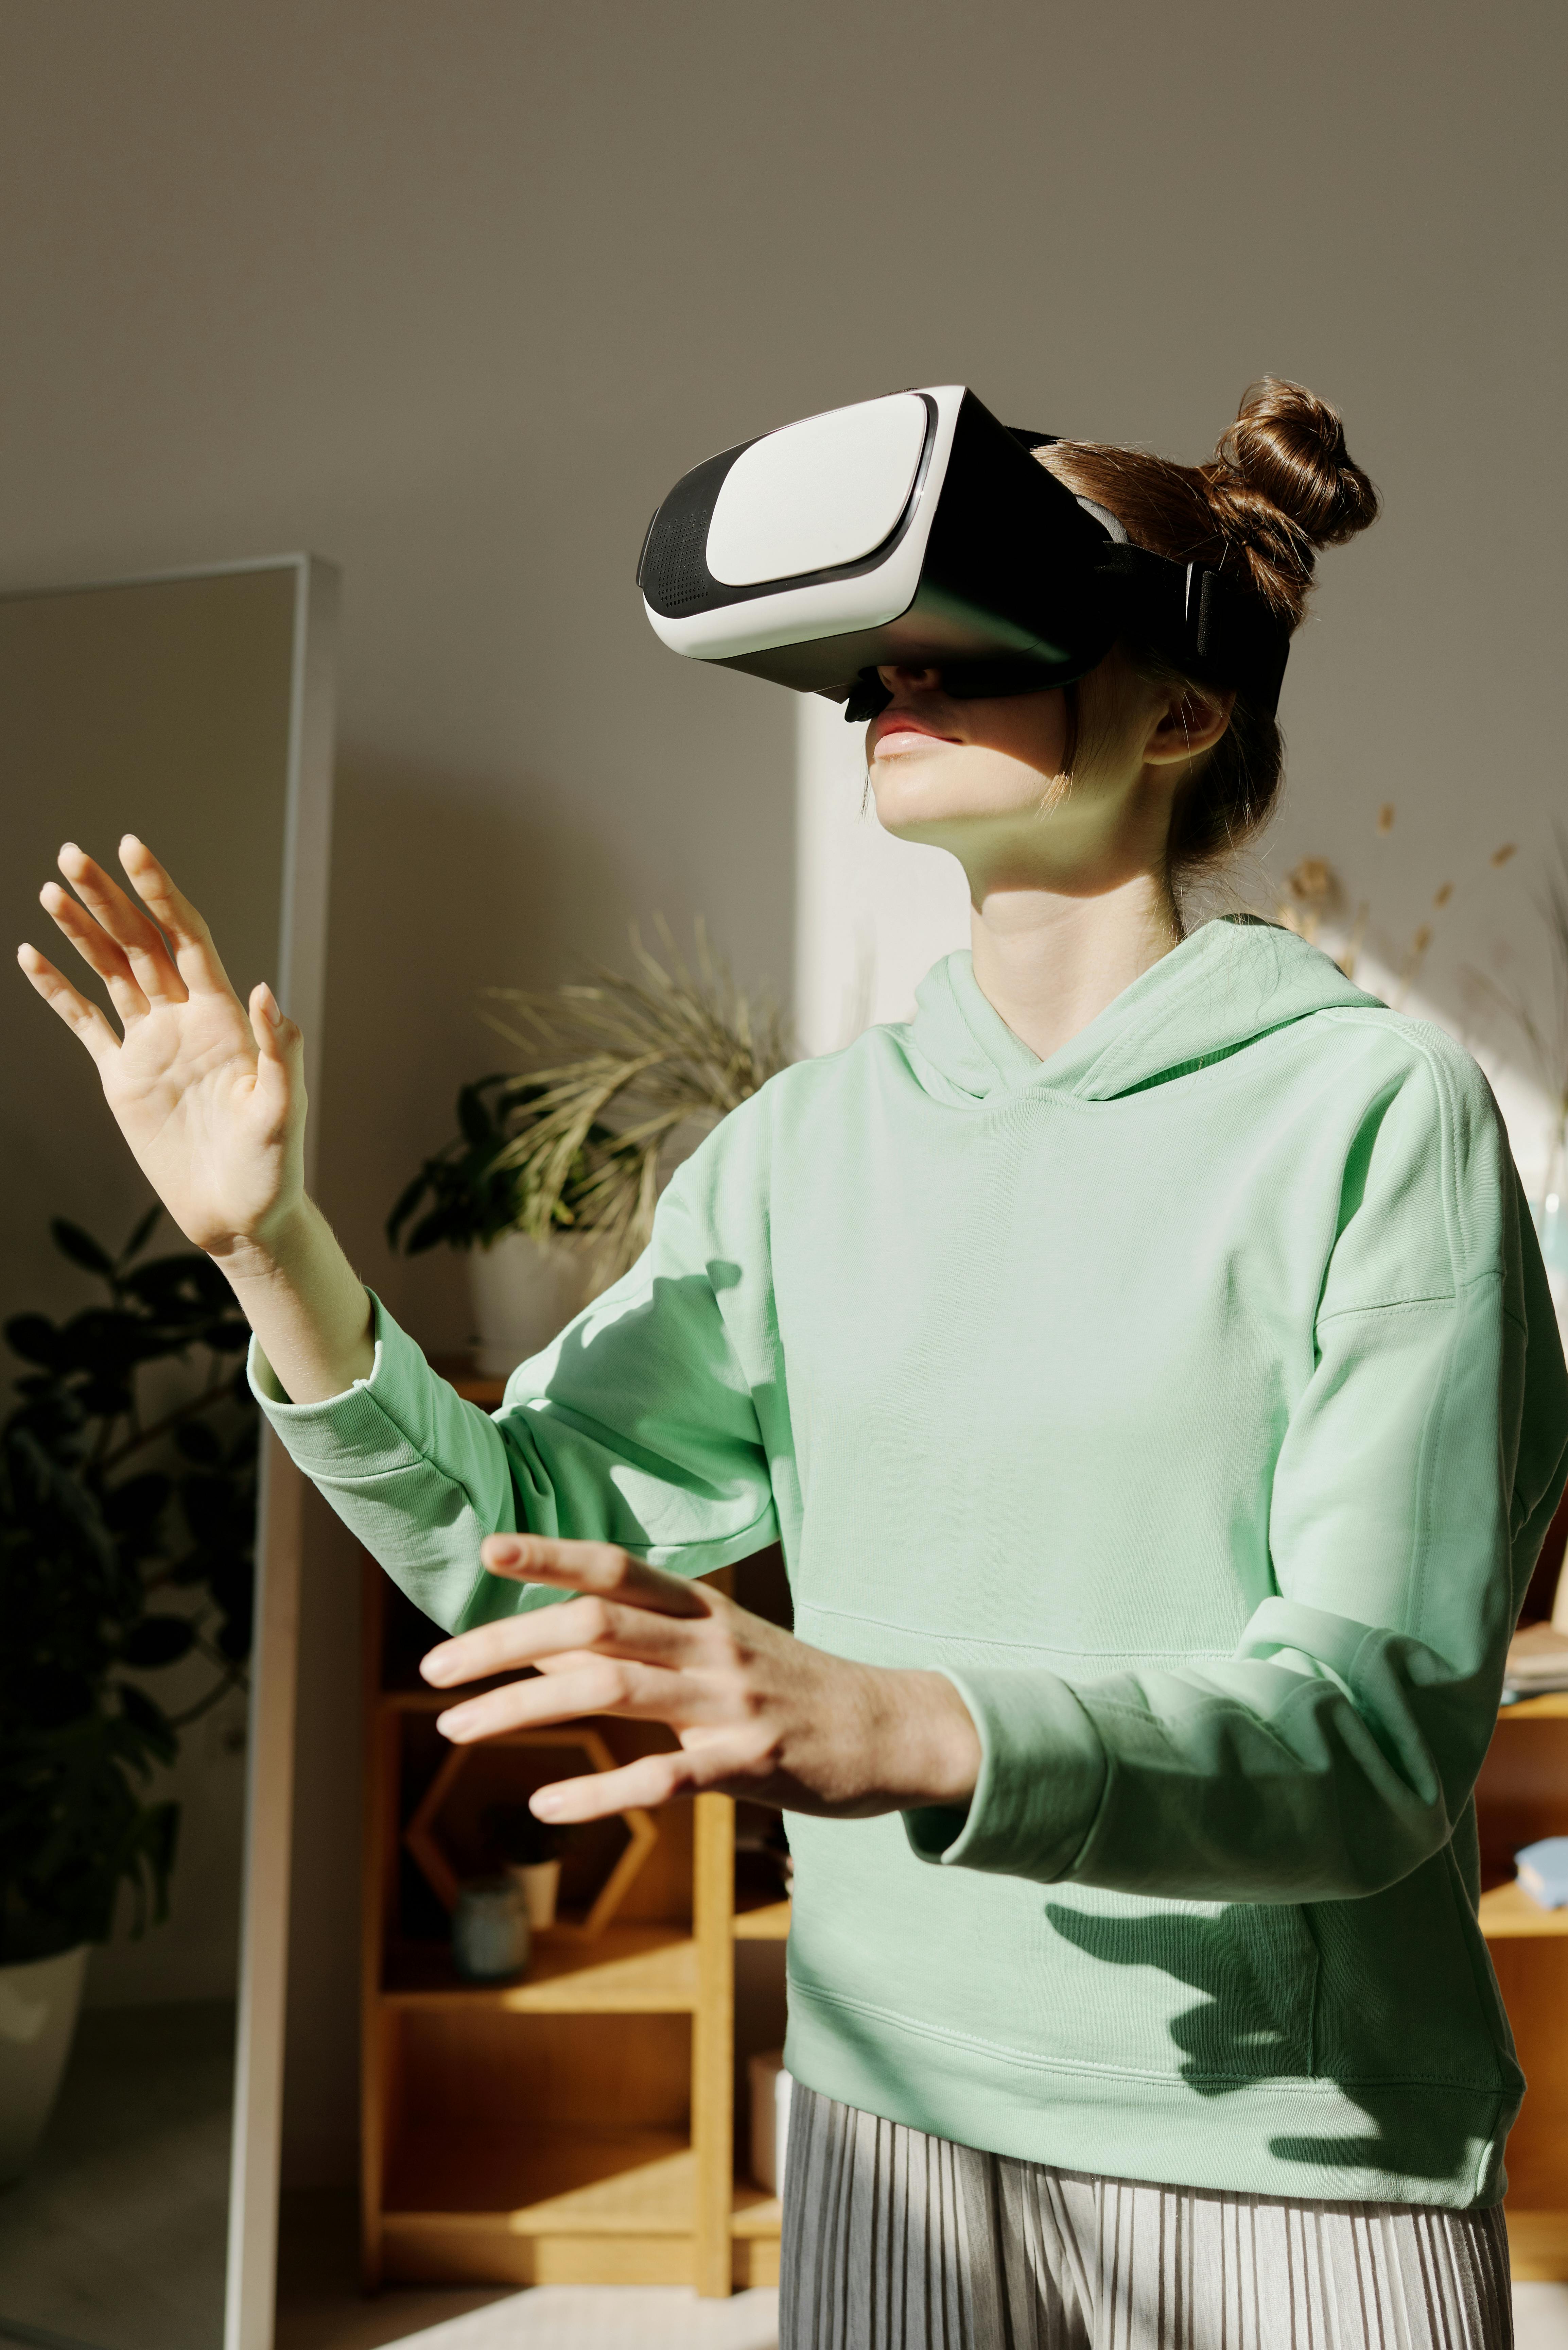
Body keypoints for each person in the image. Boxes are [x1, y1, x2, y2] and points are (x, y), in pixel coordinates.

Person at [20, 380, 1566, 2350]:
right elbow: (516, 1536)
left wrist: (910, 1724)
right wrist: (273, 1247)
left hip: (1280, 2147)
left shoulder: (1371, 1115)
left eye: (953, 655)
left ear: (1177, 716)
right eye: (869, 667)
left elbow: (1369, 1735)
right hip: (880, 2116)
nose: (883, 696)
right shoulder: (801, 1151)